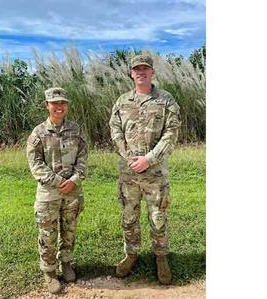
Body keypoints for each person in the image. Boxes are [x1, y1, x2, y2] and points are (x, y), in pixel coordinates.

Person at [109, 54, 181, 285]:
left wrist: (149, 159)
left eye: (145, 69)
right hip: (128, 172)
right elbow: (115, 130)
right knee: (129, 216)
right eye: (136, 69)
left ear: (152, 73)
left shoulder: (165, 100)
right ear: (131, 73)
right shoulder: (122, 101)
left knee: (158, 216)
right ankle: (131, 255)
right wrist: (127, 155)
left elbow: (171, 133)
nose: (141, 72)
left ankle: (161, 257)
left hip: (155, 173)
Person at [26, 87, 88, 294]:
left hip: (72, 192)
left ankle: (66, 263)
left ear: (66, 106)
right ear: (47, 106)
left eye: (63, 103)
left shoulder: (75, 130)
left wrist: (75, 180)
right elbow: (35, 165)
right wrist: (60, 181)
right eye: (55, 103)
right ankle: (49, 271)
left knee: (69, 231)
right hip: (49, 194)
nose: (59, 107)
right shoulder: (38, 133)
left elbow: (83, 158)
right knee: (48, 233)